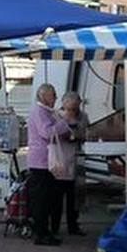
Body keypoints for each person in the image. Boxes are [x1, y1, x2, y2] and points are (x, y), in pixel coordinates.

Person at [25, 83, 74, 246]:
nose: (55, 98)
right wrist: (63, 122)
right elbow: (46, 132)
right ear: (43, 96)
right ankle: (41, 233)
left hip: (46, 161)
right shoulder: (39, 112)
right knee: (41, 199)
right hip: (41, 161)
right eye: (52, 95)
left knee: (48, 198)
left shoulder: (47, 112)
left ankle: (45, 231)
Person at [54, 91, 90, 236]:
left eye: (76, 107)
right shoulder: (57, 116)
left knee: (75, 197)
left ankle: (73, 225)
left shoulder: (83, 116)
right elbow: (54, 134)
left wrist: (79, 135)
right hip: (60, 158)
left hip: (76, 159)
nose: (73, 111)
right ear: (64, 105)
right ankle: (54, 226)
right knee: (56, 197)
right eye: (70, 108)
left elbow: (86, 133)